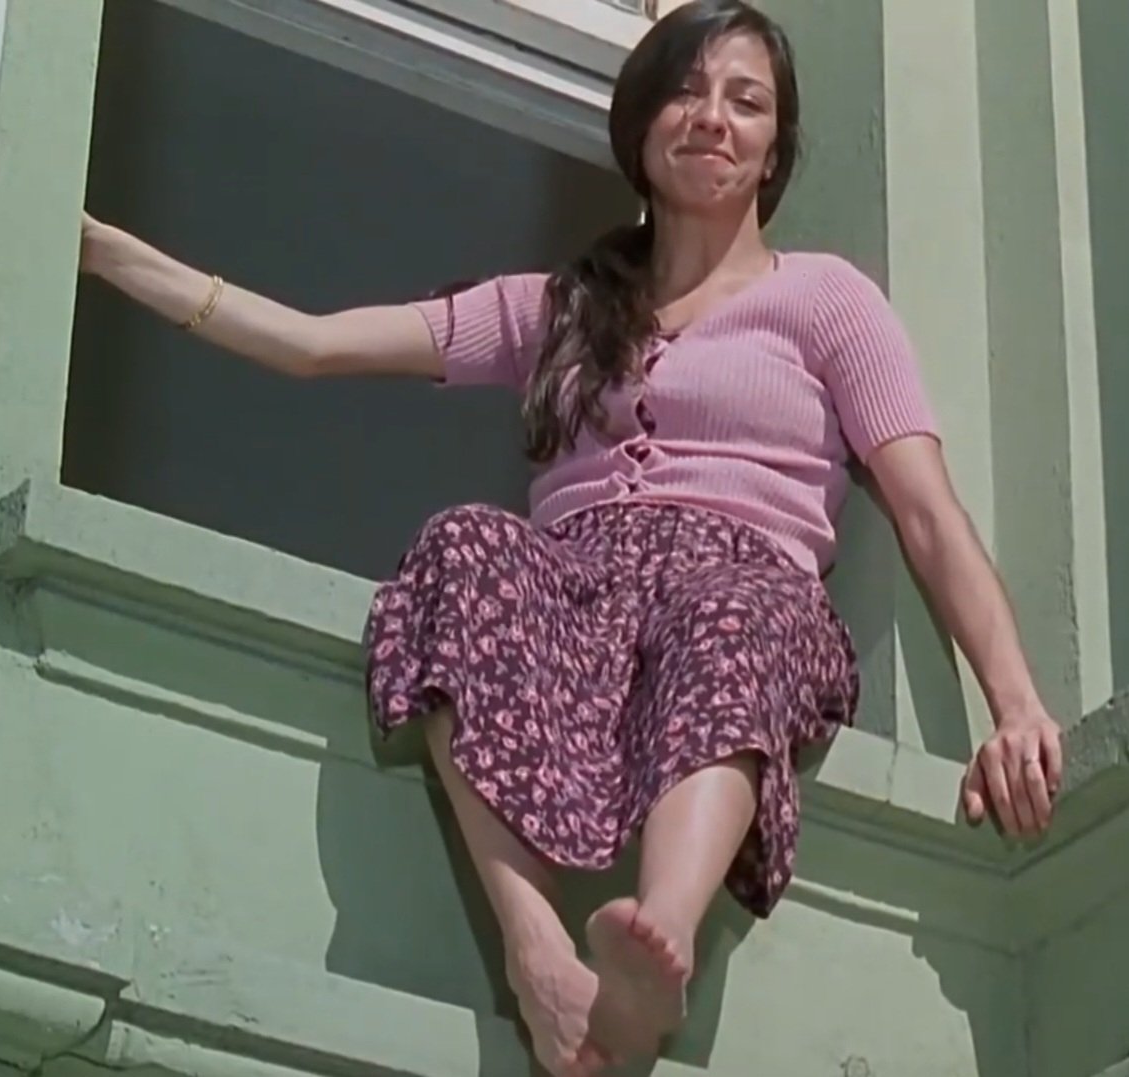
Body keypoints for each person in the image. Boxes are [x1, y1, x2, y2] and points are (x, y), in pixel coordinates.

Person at [79, 1, 1063, 1072]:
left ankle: (658, 944)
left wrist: (1013, 705)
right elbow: (315, 345)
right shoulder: (563, 308)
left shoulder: (825, 300)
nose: (713, 117)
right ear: (640, 126)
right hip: (575, 591)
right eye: (685, 91)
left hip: (745, 582)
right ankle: (536, 948)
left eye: (746, 101)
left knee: (727, 613)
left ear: (776, 149)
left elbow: (926, 511)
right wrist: (106, 253)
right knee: (462, 543)